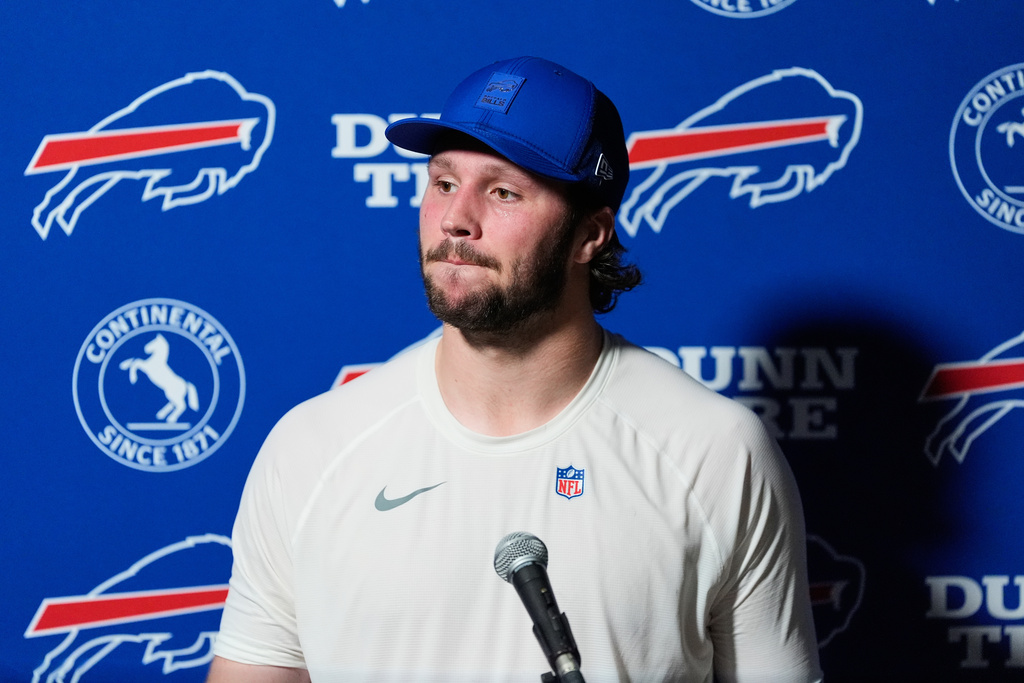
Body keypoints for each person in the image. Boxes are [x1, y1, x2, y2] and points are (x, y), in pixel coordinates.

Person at [206, 56, 822, 683]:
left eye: (503, 191)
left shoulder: (713, 452)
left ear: (590, 234)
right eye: (444, 182)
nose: (456, 218)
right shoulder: (312, 446)